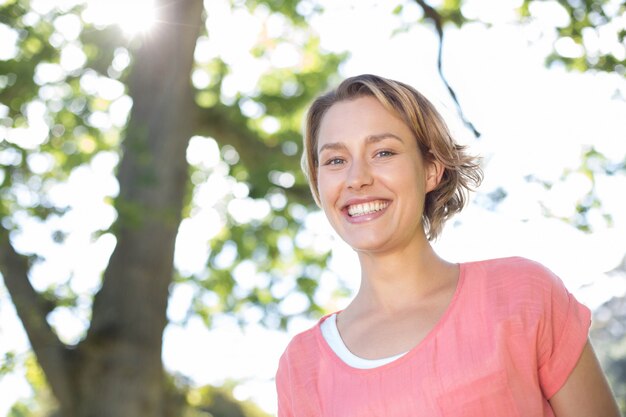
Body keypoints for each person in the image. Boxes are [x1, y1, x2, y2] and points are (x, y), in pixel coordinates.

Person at [275, 74, 620, 416]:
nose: (357, 178)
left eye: (383, 152)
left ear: (431, 170)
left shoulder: (522, 295)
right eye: (336, 160)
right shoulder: (302, 367)